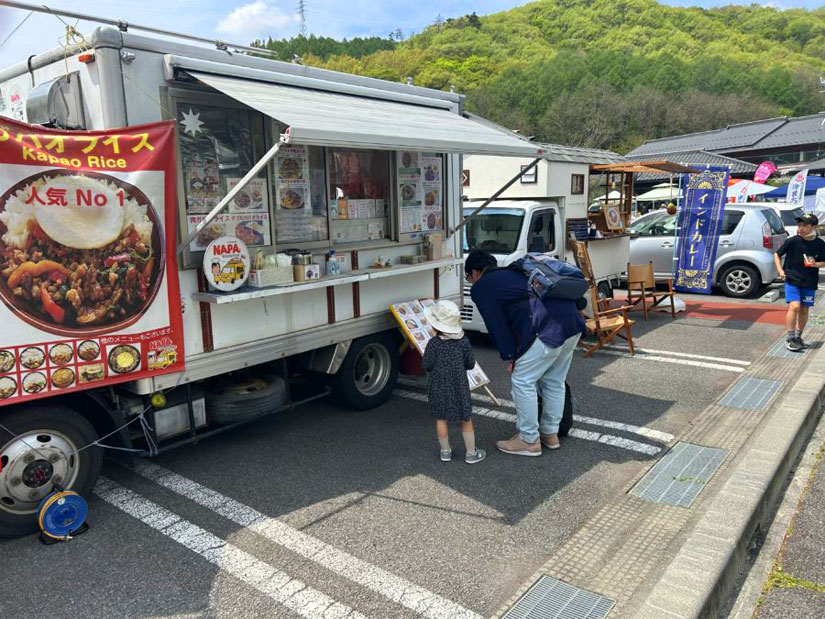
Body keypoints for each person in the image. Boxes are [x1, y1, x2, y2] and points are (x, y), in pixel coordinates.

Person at [465, 250, 586, 456]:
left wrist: (510, 356)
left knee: (522, 380)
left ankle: (528, 440)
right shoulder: (516, 272)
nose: (470, 281)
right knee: (554, 380)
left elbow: (497, 326)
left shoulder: (483, 287)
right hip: (571, 322)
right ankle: (550, 434)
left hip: (547, 327)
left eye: (469, 277)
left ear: (476, 273)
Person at [421, 300, 486, 464]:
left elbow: (426, 365)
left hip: (438, 385)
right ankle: (471, 453)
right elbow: (470, 364)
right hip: (459, 386)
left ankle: (445, 452)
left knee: (441, 418)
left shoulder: (434, 343)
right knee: (465, 418)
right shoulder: (464, 342)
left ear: (436, 325)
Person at [774, 213, 825, 352]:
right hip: (792, 279)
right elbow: (777, 254)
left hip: (809, 281)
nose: (801, 228)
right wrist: (780, 271)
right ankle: (790, 338)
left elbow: (823, 262)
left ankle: (798, 337)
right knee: (795, 307)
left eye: (805, 225)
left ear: (813, 227)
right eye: (799, 225)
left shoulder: (820, 244)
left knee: (804, 309)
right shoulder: (793, 241)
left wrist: (815, 264)